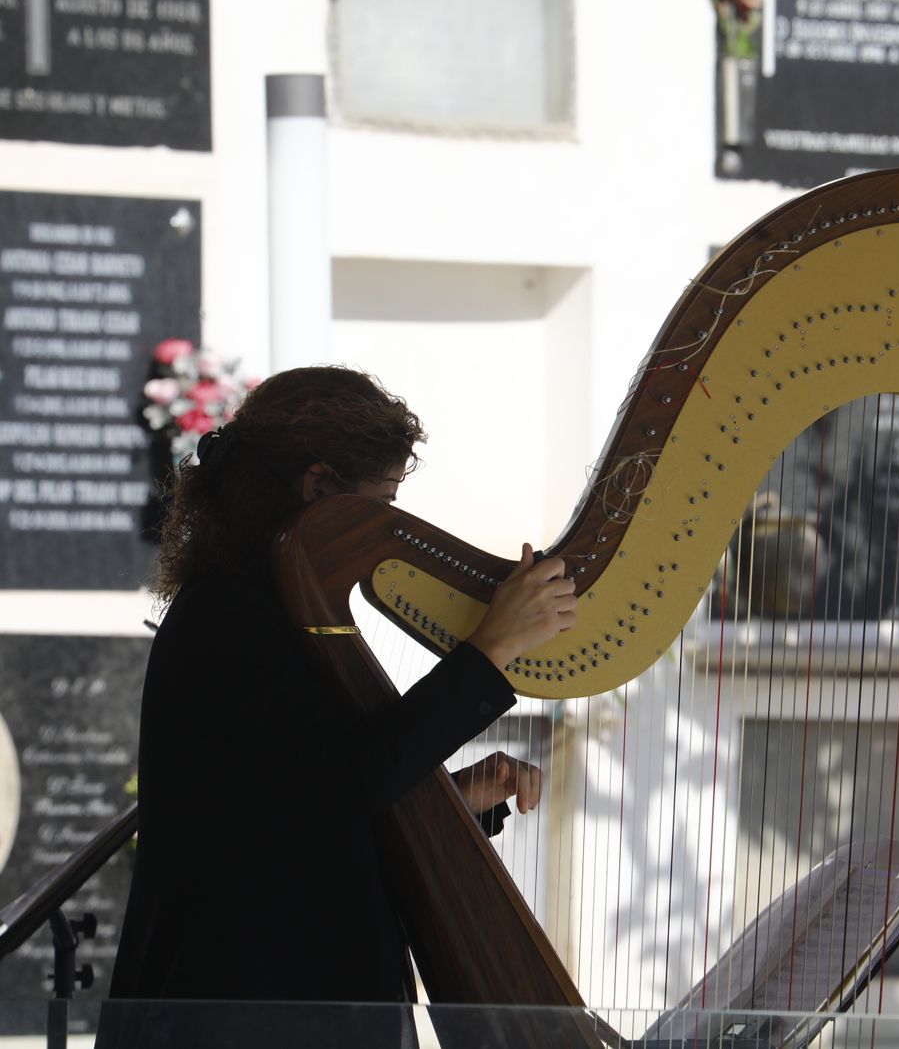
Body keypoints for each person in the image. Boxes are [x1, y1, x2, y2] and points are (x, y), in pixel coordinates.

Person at [106, 366, 574, 1032]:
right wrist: (491, 649)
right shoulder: (228, 617)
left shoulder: (267, 611)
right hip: (246, 1015)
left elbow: (305, 804)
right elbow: (353, 777)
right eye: (379, 505)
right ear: (320, 488)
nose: (386, 527)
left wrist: (453, 799)